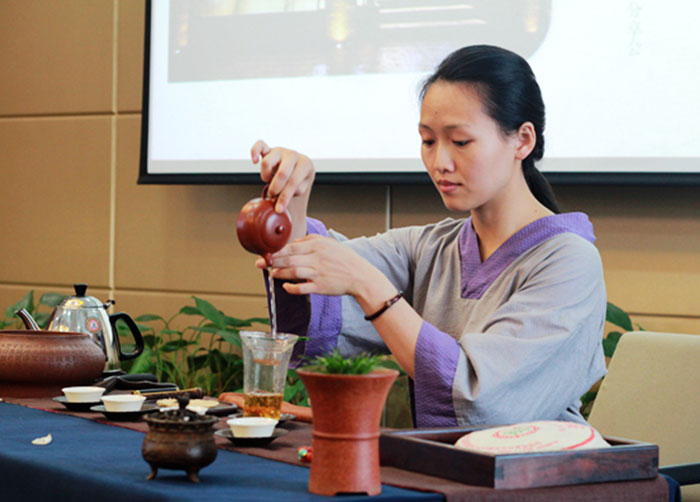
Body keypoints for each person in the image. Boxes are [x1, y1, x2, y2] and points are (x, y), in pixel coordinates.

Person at [249, 45, 607, 427]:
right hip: (443, 462)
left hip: (539, 463)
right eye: (429, 141)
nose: (440, 163)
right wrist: (292, 199)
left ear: (522, 140)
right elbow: (321, 291)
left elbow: (483, 399)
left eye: (461, 141)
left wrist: (371, 287)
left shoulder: (570, 263)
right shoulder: (429, 247)